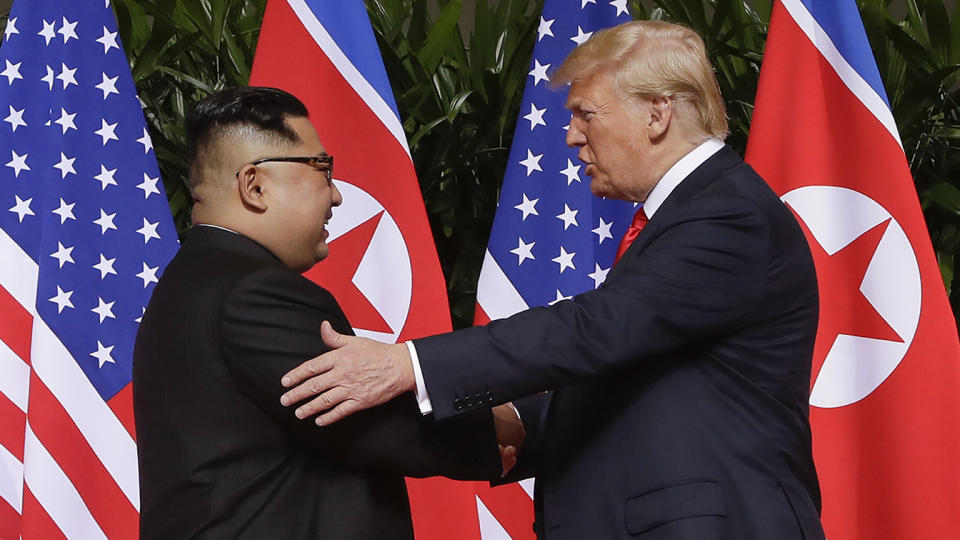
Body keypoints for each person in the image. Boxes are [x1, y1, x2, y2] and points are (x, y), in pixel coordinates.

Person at [279, 21, 826, 540]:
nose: (570, 137)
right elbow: (641, 374)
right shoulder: (691, 213)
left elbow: (595, 329)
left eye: (586, 114)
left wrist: (407, 364)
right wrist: (516, 421)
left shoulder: (728, 215)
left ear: (658, 113)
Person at [133, 86, 521, 539]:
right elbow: (368, 420)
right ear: (254, 185)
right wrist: (513, 426)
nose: (336, 196)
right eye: (322, 168)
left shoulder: (193, 280)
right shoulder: (253, 290)